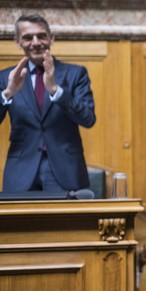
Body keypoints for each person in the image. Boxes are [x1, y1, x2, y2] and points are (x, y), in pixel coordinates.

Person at [0, 13, 96, 193]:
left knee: (68, 222)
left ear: (52, 39)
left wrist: (55, 90)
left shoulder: (75, 74)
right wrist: (8, 93)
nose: (35, 42)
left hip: (66, 169)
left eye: (41, 36)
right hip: (21, 170)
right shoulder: (6, 78)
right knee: (18, 222)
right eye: (28, 37)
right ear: (17, 41)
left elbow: (88, 118)